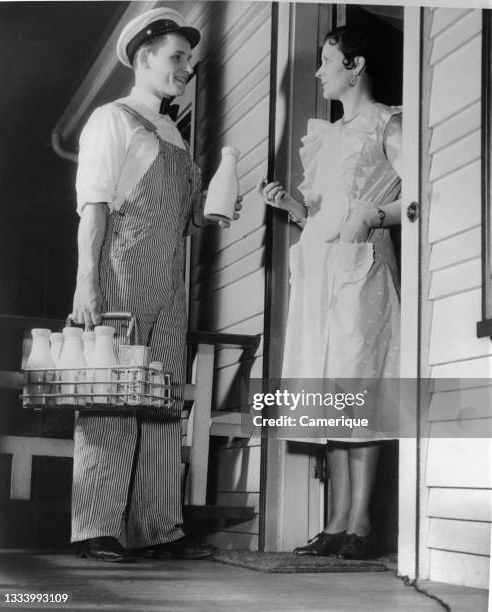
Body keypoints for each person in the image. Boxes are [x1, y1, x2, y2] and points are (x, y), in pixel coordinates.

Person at [71, 8, 241, 562]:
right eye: (177, 57)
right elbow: (93, 212)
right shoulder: (112, 120)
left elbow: (185, 217)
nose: (186, 68)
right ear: (144, 58)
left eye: (188, 60)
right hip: (121, 272)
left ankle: (156, 528)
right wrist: (86, 285)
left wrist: (213, 209)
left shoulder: (172, 131)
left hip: (170, 281)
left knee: (163, 401)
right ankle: (97, 528)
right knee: (111, 396)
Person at [259, 24, 402, 560]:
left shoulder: (388, 122)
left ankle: (361, 523)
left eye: (327, 60)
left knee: (358, 386)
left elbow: (411, 198)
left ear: (356, 65)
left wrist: (372, 216)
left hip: (361, 266)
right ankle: (338, 521)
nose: (318, 72)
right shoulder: (328, 133)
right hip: (321, 269)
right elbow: (323, 213)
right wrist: (292, 210)